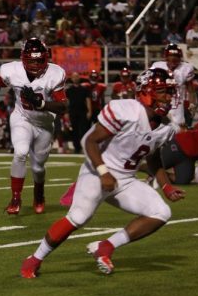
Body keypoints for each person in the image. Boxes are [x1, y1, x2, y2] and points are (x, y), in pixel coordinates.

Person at [21, 68, 185, 278]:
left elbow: (153, 157)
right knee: (78, 217)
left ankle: (105, 247)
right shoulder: (127, 110)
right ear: (146, 91)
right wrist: (103, 172)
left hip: (125, 180)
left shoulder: (166, 127)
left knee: (161, 212)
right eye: (162, 90)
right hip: (97, 172)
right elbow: (89, 141)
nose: (168, 97)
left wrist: (166, 186)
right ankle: (34, 259)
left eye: (171, 92)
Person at [0, 38, 68, 215]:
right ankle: (15, 198)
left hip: (45, 123)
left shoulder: (55, 73)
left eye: (39, 60)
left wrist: (41, 104)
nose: (35, 64)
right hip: (22, 118)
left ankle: (39, 194)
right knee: (20, 152)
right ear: (23, 57)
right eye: (31, 59)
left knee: (38, 167)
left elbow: (63, 106)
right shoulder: (11, 70)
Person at [150, 43, 196, 129]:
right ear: (166, 57)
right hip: (160, 103)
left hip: (177, 104)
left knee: (178, 130)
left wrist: (192, 103)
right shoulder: (157, 66)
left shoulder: (186, 68)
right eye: (170, 58)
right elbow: (150, 87)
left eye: (176, 58)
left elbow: (191, 90)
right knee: (158, 129)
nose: (173, 61)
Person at [65, 72, 93, 154]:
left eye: (77, 76)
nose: (75, 78)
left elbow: (88, 101)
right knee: (74, 131)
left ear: (79, 78)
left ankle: (84, 147)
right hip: (72, 112)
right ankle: (76, 148)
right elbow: (67, 102)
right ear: (71, 79)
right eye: (74, 77)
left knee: (84, 130)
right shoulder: (68, 90)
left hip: (83, 112)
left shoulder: (84, 89)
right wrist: (66, 112)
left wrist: (89, 111)